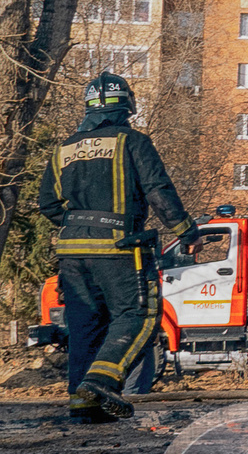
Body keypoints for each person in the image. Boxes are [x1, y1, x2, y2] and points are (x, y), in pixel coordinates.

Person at [35, 72, 193, 422]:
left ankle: (83, 405)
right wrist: (185, 229)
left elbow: (47, 204)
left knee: (85, 327)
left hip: (72, 256)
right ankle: (103, 380)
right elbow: (157, 190)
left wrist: (80, 226)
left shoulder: (65, 148)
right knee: (139, 315)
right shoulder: (133, 141)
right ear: (127, 106)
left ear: (88, 107)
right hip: (120, 249)